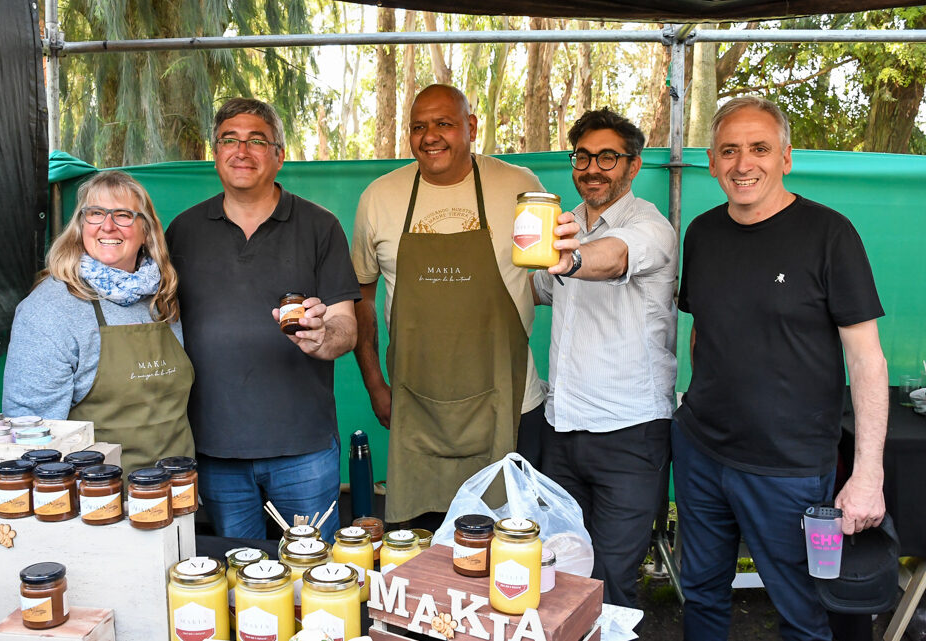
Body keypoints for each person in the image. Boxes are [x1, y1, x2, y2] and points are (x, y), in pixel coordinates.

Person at [673, 95, 888, 641]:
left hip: (789, 469)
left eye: (759, 149)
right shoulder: (701, 233)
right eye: (730, 151)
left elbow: (867, 359)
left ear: (786, 157)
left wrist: (867, 475)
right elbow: (704, 329)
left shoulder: (829, 235)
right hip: (701, 452)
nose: (744, 164)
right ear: (712, 160)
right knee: (699, 592)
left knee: (802, 613)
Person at [350, 84, 566, 525]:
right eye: (418, 126)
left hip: (509, 402)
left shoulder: (520, 187)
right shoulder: (379, 197)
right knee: (420, 545)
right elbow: (362, 297)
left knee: (506, 541)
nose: (430, 136)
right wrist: (375, 384)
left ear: (470, 127)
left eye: (444, 123)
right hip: (416, 407)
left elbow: (549, 273)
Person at [166, 98, 359, 541]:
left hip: (303, 450)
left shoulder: (319, 226)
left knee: (314, 580)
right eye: (229, 140)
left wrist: (321, 336)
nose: (241, 150)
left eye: (257, 140)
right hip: (213, 449)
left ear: (279, 155)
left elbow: (347, 326)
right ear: (214, 153)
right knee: (238, 580)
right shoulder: (183, 231)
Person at [530, 108, 678, 609]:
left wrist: (568, 260)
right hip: (562, 429)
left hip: (630, 434)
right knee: (563, 569)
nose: (593, 168)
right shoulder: (562, 223)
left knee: (612, 579)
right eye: (583, 156)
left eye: (608, 157)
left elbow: (612, 258)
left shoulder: (651, 226)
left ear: (633, 166)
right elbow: (536, 288)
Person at [4, 170, 195, 474]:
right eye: (95, 214)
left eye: (123, 215)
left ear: (146, 231)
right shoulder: (49, 309)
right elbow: (30, 435)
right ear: (80, 227)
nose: (107, 225)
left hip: (177, 489)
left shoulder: (162, 298)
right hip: (98, 502)